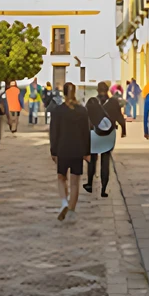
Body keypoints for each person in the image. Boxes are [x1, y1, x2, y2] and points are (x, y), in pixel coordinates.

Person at [50, 82, 91, 222]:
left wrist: (53, 150)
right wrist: (87, 151)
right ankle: (72, 210)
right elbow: (86, 132)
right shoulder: (82, 110)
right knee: (75, 182)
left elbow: (54, 132)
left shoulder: (58, 111)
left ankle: (64, 203)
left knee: (61, 178)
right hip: (78, 149)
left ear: (63, 93)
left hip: (62, 148)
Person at [84, 81, 128, 198]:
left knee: (92, 159)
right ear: (108, 90)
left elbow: (85, 118)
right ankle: (103, 189)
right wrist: (123, 130)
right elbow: (120, 117)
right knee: (105, 160)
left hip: (94, 134)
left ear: (97, 90)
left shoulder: (92, 102)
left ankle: (89, 184)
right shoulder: (113, 102)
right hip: (109, 134)